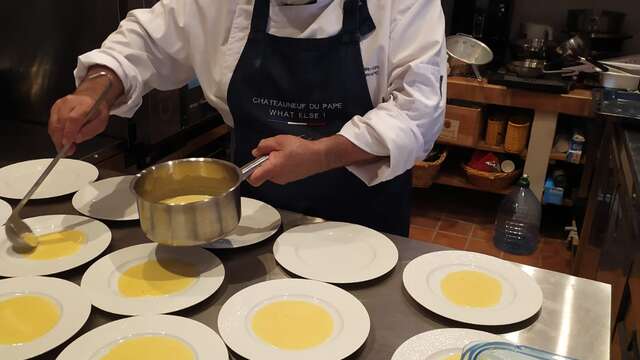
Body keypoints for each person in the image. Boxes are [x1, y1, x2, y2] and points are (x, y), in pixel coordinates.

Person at [48, 0, 446, 236]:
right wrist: (97, 88)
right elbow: (145, 41)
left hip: (364, 224)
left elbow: (418, 112)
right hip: (253, 215)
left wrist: (322, 154)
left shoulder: (405, 5)